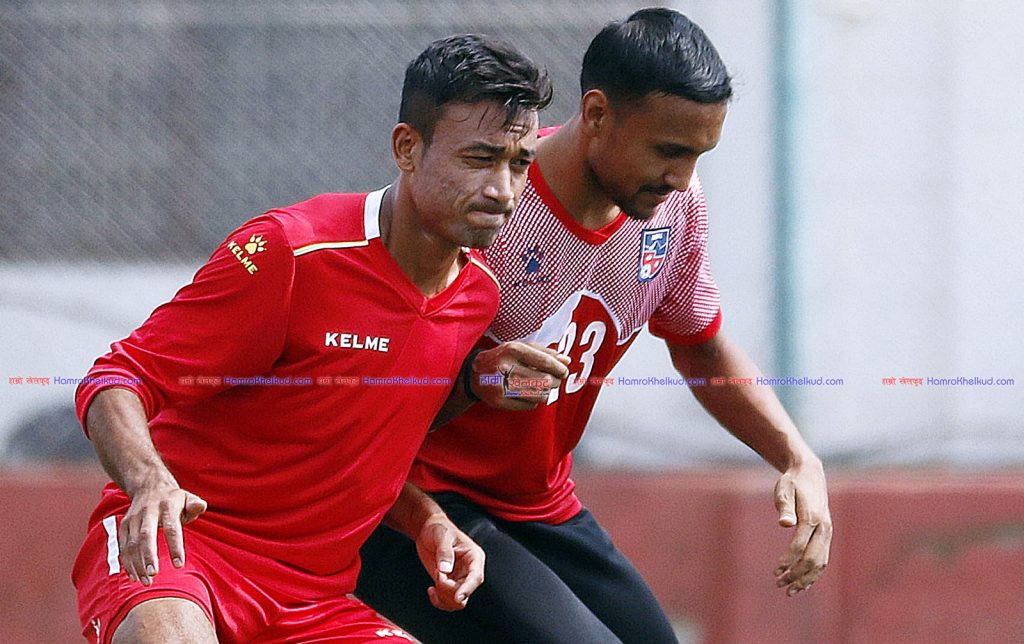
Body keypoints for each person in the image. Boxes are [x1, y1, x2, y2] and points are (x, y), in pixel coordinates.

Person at [356, 9, 833, 643]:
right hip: (417, 504)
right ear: (598, 114)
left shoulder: (674, 210)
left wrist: (798, 458)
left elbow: (700, 346)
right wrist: (474, 380)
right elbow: (365, 388)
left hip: (540, 504)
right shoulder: (485, 205)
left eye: (698, 155)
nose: (681, 178)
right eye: (668, 151)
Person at [71, 34, 554, 644]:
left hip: (313, 601)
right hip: (179, 555)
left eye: (518, 164)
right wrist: (148, 481)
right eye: (479, 159)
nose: (503, 190)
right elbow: (116, 379)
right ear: (407, 148)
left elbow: (349, 451)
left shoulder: (480, 294)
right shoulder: (290, 252)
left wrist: (427, 520)